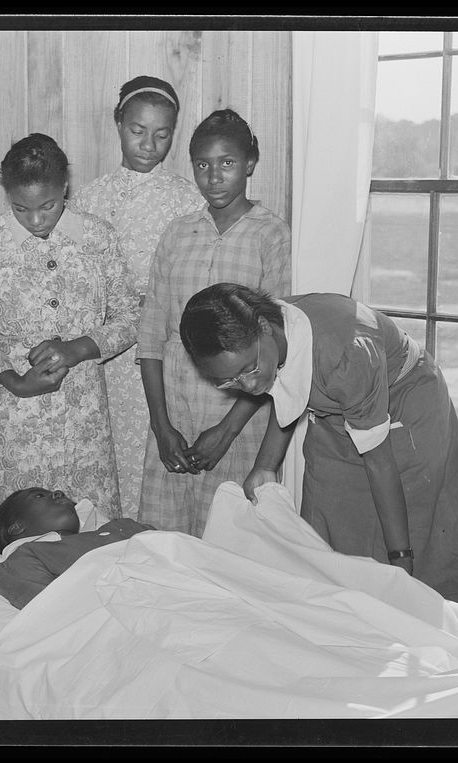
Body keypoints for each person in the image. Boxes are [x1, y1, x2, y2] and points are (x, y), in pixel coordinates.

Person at [178, 283, 458, 604]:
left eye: (248, 369)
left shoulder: (344, 350)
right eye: (230, 381)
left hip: (405, 407)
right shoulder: (266, 330)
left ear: (264, 329)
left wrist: (400, 558)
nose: (247, 386)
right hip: (339, 407)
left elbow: (379, 462)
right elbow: (285, 386)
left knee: (406, 542)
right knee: (324, 534)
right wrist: (265, 466)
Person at [0, 133, 140, 518]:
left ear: (65, 188)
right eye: (21, 209)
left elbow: (131, 315)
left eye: (48, 206)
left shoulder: (97, 235)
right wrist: (13, 381)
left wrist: (79, 348)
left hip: (83, 411)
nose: (36, 220)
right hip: (16, 410)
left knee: (88, 524)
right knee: (15, 526)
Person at [136, 109, 291, 537]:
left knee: (229, 541)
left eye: (227, 163)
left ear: (250, 165)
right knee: (166, 543)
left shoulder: (271, 235)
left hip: (238, 411)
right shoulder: (177, 233)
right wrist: (161, 426)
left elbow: (279, 348)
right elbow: (151, 335)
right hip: (175, 410)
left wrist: (226, 431)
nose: (214, 176)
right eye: (202, 165)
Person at [71, 76, 203, 520]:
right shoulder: (89, 198)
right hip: (105, 350)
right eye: (138, 131)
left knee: (154, 450)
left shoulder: (187, 199)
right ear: (118, 125)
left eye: (162, 134)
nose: (150, 144)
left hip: (162, 350)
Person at [0, 488, 154, 609]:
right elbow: (57, 612)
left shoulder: (122, 526)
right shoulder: (25, 557)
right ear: (17, 528)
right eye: (39, 496)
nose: (58, 492)